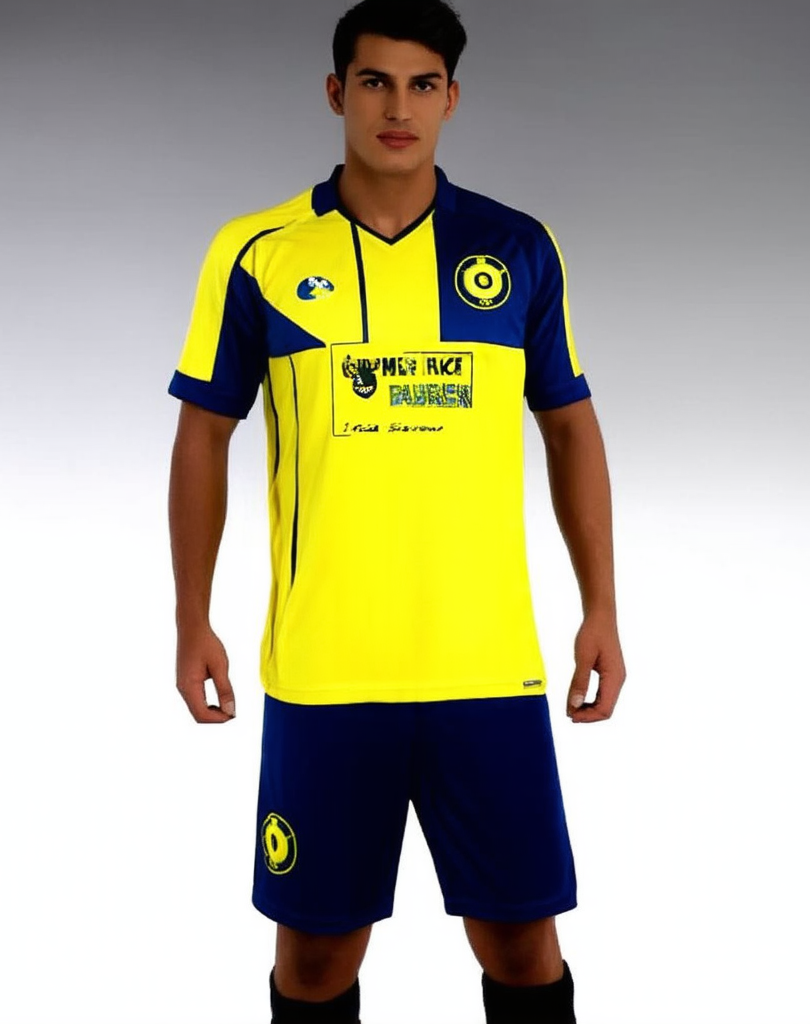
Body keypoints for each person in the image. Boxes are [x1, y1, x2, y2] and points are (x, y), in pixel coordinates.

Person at [167, 1, 626, 1020]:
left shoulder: (515, 247)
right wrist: (191, 617)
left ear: (452, 99)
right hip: (326, 671)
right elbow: (203, 435)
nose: (397, 108)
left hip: (485, 667)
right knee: (314, 964)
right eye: (375, 82)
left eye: (422, 85)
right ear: (337, 92)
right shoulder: (258, 252)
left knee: (522, 947)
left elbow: (569, 427)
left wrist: (601, 608)